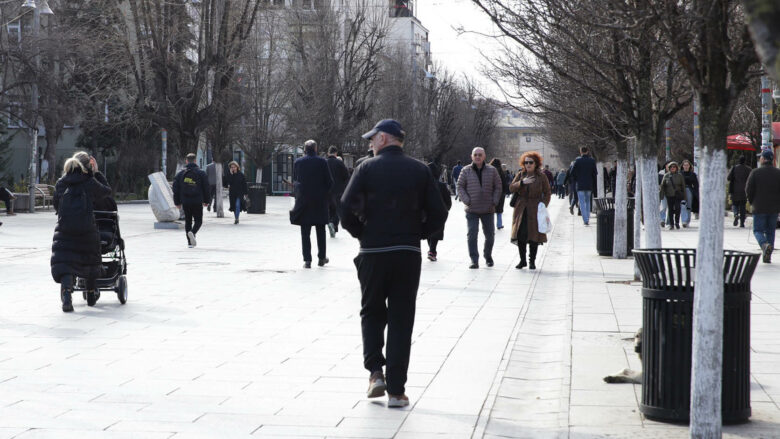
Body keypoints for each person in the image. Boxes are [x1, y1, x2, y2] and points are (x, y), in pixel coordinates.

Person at [340, 119, 447, 408]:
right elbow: (439, 213)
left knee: (372, 311)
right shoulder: (420, 170)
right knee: (402, 318)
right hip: (407, 253)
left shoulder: (366, 168)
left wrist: (363, 234)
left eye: (372, 139)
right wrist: (417, 235)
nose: (370, 144)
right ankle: (397, 390)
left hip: (373, 252)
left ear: (385, 139)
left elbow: (344, 208)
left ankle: (375, 373)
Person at [51, 152, 112, 312]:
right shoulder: (88, 181)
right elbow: (106, 192)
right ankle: (91, 293)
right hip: (86, 230)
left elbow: (56, 206)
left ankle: (66, 296)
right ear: (88, 166)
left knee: (66, 263)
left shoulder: (61, 183)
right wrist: (97, 172)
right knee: (90, 261)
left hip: (65, 231)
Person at [457, 147, 503, 269]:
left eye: (480, 155)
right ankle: (474, 260)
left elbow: (498, 186)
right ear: (472, 156)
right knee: (472, 235)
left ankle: (488, 256)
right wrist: (466, 200)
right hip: (472, 209)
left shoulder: (492, 170)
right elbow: (460, 186)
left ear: (484, 156)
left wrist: (494, 201)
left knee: (490, 235)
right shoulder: (465, 170)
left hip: (488, 209)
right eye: (475, 154)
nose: (477, 157)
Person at [291, 140, 333, 268]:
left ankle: (307, 260)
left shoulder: (298, 162)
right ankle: (321, 258)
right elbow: (330, 182)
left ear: (304, 149)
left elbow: (295, 181)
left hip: (304, 201)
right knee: (321, 231)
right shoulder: (322, 162)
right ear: (315, 149)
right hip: (320, 202)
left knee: (305, 232)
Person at [510, 151, 551, 270]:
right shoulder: (520, 174)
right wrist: (521, 183)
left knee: (534, 235)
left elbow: (548, 192)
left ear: (536, 163)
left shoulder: (541, 176)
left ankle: (532, 261)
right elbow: (511, 188)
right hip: (521, 208)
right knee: (521, 234)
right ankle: (522, 260)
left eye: (530, 162)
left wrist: (543, 204)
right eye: (526, 162)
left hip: (535, 208)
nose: (528, 164)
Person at [746, 149, 780, 263]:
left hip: (759, 207)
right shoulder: (778, 173)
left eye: (761, 157)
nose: (760, 159)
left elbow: (748, 189)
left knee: (758, 230)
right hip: (774, 208)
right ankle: (767, 255)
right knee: (770, 231)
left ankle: (764, 245)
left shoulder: (755, 172)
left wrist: (752, 202)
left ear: (764, 159)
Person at [173, 153, 211, 248]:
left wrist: (177, 202)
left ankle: (189, 243)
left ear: (186, 161)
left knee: (188, 221)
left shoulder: (180, 174)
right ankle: (192, 232)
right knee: (198, 221)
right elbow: (206, 188)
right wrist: (207, 201)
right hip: (197, 200)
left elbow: (175, 189)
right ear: (195, 161)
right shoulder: (201, 173)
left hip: (186, 201)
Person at [426, 162, 453, 261]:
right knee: (436, 232)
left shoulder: (423, 184)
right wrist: (446, 209)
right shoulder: (442, 185)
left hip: (427, 213)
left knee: (429, 232)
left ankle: (432, 250)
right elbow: (448, 200)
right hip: (439, 212)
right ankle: (432, 251)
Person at [326, 146, 351, 237]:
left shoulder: (324, 163)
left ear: (328, 153)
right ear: (336, 153)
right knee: (337, 210)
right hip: (338, 191)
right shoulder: (339, 163)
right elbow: (346, 176)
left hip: (327, 191)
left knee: (330, 210)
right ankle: (333, 224)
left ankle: (332, 227)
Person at [569, 147, 597, 225]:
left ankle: (585, 220)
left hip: (580, 185)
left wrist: (576, 178)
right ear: (587, 151)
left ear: (580, 151)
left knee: (581, 202)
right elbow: (595, 173)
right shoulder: (592, 161)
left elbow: (572, 173)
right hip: (589, 185)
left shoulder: (577, 161)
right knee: (588, 202)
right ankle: (587, 217)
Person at [659, 161, 685, 230]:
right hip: (669, 195)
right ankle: (671, 224)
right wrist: (661, 195)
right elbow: (662, 186)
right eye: (671, 167)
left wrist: (684, 197)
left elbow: (683, 186)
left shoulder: (680, 176)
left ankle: (677, 222)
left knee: (677, 208)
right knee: (670, 209)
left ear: (677, 168)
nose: (673, 168)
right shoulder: (666, 175)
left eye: (674, 167)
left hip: (677, 195)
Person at [728, 155, 752, 228]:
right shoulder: (749, 169)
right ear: (745, 161)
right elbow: (751, 180)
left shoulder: (734, 168)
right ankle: (742, 223)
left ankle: (735, 214)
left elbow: (728, 178)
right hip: (744, 191)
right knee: (742, 207)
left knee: (735, 204)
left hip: (735, 190)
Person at [490, 158, 509, 230]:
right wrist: (505, 191)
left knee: (490, 210)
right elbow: (504, 183)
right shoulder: (501, 171)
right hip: (500, 193)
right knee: (499, 210)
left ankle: (490, 225)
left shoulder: (489, 170)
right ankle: (499, 224)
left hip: (490, 193)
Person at [680, 160, 699, 228]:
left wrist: (696, 193)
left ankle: (687, 221)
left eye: (687, 165)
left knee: (688, 206)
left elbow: (696, 184)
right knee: (683, 205)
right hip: (681, 191)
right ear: (682, 166)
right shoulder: (680, 173)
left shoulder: (693, 174)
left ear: (689, 166)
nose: (686, 166)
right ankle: (684, 221)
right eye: (684, 165)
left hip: (689, 190)